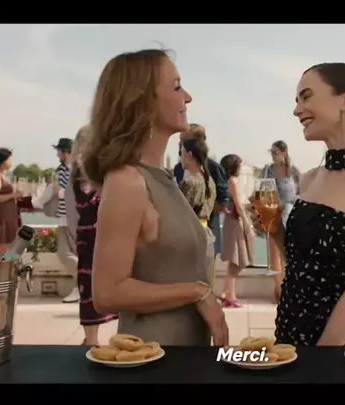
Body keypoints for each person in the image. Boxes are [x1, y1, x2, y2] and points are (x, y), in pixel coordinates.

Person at [83, 49, 228, 346]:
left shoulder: (162, 178)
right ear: (143, 101)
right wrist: (197, 292)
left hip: (182, 358)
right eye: (176, 87)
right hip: (153, 360)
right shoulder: (127, 181)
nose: (187, 97)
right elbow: (107, 293)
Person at [258, 62, 345, 346]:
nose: (297, 110)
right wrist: (276, 230)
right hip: (290, 327)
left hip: (338, 341)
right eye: (297, 100)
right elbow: (299, 264)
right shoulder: (310, 178)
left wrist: (320, 360)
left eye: (306, 97)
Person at [70, 125, 118, 346]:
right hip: (94, 233)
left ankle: (91, 338)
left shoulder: (81, 169)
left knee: (92, 283)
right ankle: (91, 340)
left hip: (90, 232)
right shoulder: (86, 170)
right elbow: (92, 202)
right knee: (91, 284)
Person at [173, 124, 228, 259]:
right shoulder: (178, 169)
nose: (179, 144)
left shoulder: (213, 170)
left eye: (183, 140)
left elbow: (222, 203)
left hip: (200, 233)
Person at [260, 140, 301, 302]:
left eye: (275, 152)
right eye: (271, 152)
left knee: (287, 254)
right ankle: (279, 289)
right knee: (274, 255)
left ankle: (287, 288)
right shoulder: (267, 170)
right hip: (272, 214)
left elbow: (300, 192)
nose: (273, 155)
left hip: (290, 215)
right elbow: (262, 191)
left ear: (284, 153)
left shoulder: (293, 171)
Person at [178, 137, 217, 290]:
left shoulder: (190, 183)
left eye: (181, 153)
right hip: (206, 236)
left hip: (190, 239)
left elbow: (180, 213)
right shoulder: (209, 181)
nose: (180, 157)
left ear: (189, 155)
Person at [219, 154, 254, 308]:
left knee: (236, 261)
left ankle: (226, 293)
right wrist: (247, 223)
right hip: (235, 223)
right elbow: (238, 205)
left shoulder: (231, 181)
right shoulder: (233, 182)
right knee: (236, 261)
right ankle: (230, 295)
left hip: (233, 222)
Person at [50, 138, 80, 304]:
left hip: (68, 216)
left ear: (66, 152)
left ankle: (85, 280)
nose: (57, 154)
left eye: (59, 151)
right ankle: (81, 286)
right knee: (73, 253)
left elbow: (65, 192)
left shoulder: (69, 170)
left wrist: (56, 191)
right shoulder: (71, 168)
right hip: (71, 215)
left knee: (64, 253)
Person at [0, 148, 22, 255]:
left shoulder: (3, 176)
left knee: (12, 249)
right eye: (9, 159)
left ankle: (9, 265)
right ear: (2, 162)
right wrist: (13, 195)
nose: (11, 162)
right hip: (3, 217)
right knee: (4, 249)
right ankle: (3, 265)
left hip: (10, 216)